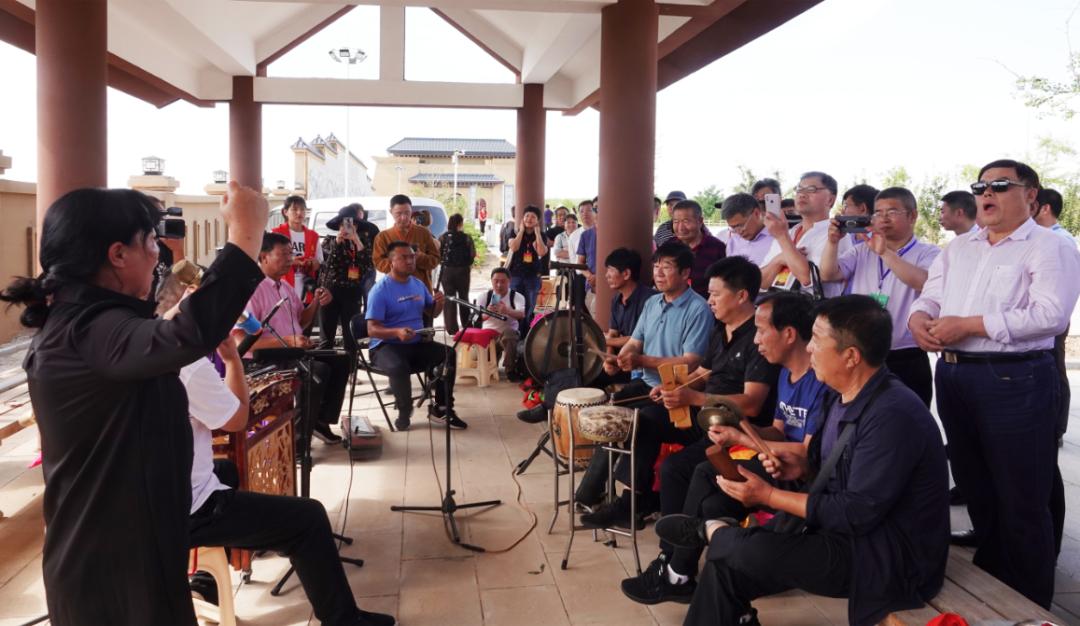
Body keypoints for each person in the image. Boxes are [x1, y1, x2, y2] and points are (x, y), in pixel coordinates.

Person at [0, 183, 268, 626]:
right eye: (150, 242)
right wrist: (245, 236)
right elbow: (185, 335)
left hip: (129, 551)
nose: (158, 255)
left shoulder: (88, 322)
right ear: (118, 254)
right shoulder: (89, 330)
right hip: (112, 572)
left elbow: (162, 333)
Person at [662, 295, 949, 626]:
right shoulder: (839, 397)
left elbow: (855, 512)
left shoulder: (892, 415)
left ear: (851, 356)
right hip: (846, 533)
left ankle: (713, 531)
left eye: (817, 339)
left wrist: (768, 495)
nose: (809, 347)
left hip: (888, 556)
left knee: (742, 549)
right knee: (729, 561)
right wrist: (798, 468)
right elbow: (824, 467)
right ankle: (720, 542)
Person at [154, 276, 396, 626]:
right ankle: (343, 620)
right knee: (308, 518)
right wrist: (233, 361)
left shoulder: (144, 344)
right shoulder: (187, 361)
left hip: (152, 496)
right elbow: (237, 420)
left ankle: (205, 577)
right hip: (186, 507)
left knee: (227, 471)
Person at [909, 159, 1080, 608]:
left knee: (1022, 498)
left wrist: (969, 324)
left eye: (1000, 185)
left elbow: (1050, 315)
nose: (987, 193)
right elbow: (931, 295)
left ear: (1031, 194)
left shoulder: (1048, 246)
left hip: (1014, 378)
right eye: (981, 186)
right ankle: (994, 589)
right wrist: (918, 318)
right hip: (954, 374)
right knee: (976, 488)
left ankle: (1029, 603)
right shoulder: (959, 248)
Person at [620, 290, 826, 605]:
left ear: (788, 334)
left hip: (797, 473)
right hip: (775, 458)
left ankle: (677, 572)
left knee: (703, 472)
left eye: (762, 331)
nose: (756, 340)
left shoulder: (819, 381)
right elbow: (778, 431)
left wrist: (741, 438)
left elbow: (805, 454)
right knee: (713, 505)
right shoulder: (787, 373)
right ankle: (717, 580)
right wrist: (738, 431)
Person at [579, 250, 734, 525]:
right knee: (609, 413)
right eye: (656, 267)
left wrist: (640, 360)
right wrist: (619, 359)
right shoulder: (652, 303)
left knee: (639, 421)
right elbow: (635, 342)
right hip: (646, 384)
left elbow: (691, 362)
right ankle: (592, 493)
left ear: (685, 273)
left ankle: (630, 501)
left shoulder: (698, 309)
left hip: (674, 389)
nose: (658, 273)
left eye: (667, 267)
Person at [819, 187, 940, 407]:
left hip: (906, 354)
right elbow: (828, 274)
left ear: (912, 216)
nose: (883, 218)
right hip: (863, 353)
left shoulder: (928, 253)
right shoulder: (861, 251)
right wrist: (833, 242)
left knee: (907, 415)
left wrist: (885, 253)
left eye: (892, 212)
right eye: (878, 212)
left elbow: (923, 281)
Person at [237, 232, 348, 445]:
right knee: (316, 372)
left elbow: (302, 321)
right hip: (262, 359)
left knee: (341, 360)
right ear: (264, 257)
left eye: (291, 254)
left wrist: (316, 302)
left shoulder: (285, 287)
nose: (290, 260)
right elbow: (240, 343)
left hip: (291, 352)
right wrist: (288, 341)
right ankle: (297, 442)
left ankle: (318, 421)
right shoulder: (252, 289)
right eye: (283, 255)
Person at [367, 241, 464, 431]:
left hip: (415, 342)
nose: (410, 261)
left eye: (412, 256)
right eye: (404, 257)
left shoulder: (418, 284)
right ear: (391, 261)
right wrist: (396, 332)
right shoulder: (380, 290)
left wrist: (439, 303)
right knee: (398, 366)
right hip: (385, 345)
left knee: (448, 354)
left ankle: (442, 408)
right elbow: (372, 329)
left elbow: (432, 312)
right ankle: (404, 411)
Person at [760, 171, 853, 296]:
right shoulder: (788, 232)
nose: (802, 195)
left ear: (830, 200)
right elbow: (760, 282)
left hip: (812, 307)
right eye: (799, 189)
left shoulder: (837, 235)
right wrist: (778, 260)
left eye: (811, 190)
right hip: (774, 303)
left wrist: (782, 238)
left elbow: (809, 279)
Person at [318, 203, 375, 355]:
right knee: (326, 338)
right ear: (338, 225)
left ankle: (350, 367)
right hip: (330, 292)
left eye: (352, 223)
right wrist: (337, 243)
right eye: (344, 223)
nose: (348, 227)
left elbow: (369, 266)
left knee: (351, 339)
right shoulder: (329, 241)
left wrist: (357, 241)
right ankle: (325, 367)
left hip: (352, 292)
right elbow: (326, 265)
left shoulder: (363, 242)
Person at [372, 194, 440, 292]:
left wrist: (420, 257)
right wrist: (398, 262)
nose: (403, 217)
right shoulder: (383, 237)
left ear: (411, 210)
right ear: (391, 212)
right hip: (394, 289)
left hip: (421, 288)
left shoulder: (423, 232)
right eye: (398, 214)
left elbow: (435, 260)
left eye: (407, 213)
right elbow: (378, 263)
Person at [475, 267, 527, 379]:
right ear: (491, 281)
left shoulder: (517, 296)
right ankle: (494, 359)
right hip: (489, 335)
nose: (499, 285)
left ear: (509, 281)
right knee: (485, 367)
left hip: (508, 334)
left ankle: (510, 369)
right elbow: (475, 318)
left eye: (503, 281)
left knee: (509, 334)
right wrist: (487, 313)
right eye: (496, 281)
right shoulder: (484, 296)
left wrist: (507, 311)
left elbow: (522, 314)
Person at [272, 195, 323, 302]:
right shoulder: (276, 233)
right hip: (282, 287)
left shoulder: (313, 236)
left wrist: (312, 263)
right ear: (285, 212)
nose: (299, 213)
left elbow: (319, 263)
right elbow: (269, 261)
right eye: (294, 209)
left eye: (302, 209)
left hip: (306, 288)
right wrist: (291, 261)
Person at [671, 199, 726, 297]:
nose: (680, 228)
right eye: (676, 222)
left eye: (686, 221)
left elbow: (724, 283)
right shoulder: (669, 246)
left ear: (700, 221)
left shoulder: (717, 248)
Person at [507, 204, 548, 322]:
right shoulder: (514, 232)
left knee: (530, 305)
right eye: (527, 216)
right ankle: (516, 328)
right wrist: (521, 232)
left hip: (533, 276)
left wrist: (538, 234)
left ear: (537, 220)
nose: (529, 219)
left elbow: (542, 252)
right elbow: (514, 247)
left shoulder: (541, 235)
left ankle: (526, 329)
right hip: (515, 274)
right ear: (522, 218)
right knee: (514, 303)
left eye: (533, 217)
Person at [437, 213, 477, 335]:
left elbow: (438, 255)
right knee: (464, 297)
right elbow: (472, 255)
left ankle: (451, 328)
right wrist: (466, 263)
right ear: (460, 223)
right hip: (463, 271)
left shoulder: (442, 237)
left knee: (449, 298)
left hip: (447, 272)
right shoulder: (466, 238)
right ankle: (467, 326)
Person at [719, 193, 774, 267]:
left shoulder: (777, 239)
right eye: (733, 228)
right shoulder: (733, 242)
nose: (739, 232)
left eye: (740, 225)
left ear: (756, 213)